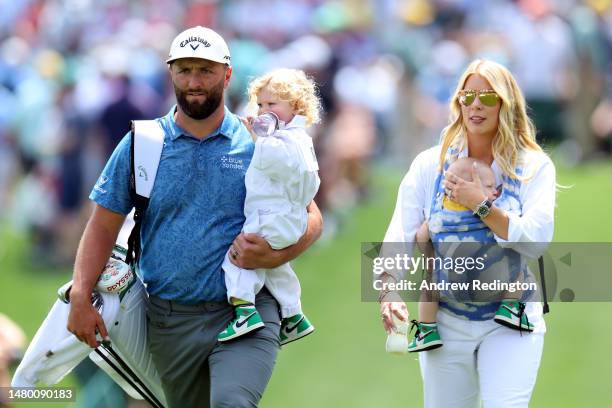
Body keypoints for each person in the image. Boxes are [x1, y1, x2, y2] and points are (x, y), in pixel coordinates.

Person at [67, 25, 323, 408]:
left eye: (205, 70)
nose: (194, 81)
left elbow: (311, 215)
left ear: (227, 75)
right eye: (184, 70)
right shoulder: (143, 144)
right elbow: (103, 224)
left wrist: (276, 255)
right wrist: (80, 296)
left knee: (231, 403)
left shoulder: (258, 142)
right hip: (169, 320)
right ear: (171, 74)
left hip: (247, 308)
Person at [379, 59, 555, 407]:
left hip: (511, 318)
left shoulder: (534, 166)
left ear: (506, 104)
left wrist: (482, 205)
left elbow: (536, 240)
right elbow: (400, 230)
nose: (475, 105)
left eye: (488, 97)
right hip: (445, 320)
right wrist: (388, 292)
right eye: (467, 95)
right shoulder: (431, 163)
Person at [218, 68, 321, 345]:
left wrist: (257, 137)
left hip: (270, 217)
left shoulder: (284, 139)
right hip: (290, 219)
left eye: (272, 104)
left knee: (239, 259)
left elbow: (276, 160)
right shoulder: (300, 138)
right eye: (261, 104)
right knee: (276, 268)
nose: (263, 110)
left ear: (296, 106)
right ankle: (294, 314)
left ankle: (244, 310)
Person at [407, 157, 533, 353]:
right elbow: (514, 230)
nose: (495, 191)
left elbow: (422, 236)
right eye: (490, 186)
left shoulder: (439, 215)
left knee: (429, 282)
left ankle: (427, 328)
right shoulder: (493, 213)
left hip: (449, 285)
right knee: (517, 268)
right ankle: (510, 308)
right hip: (492, 282)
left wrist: (430, 257)